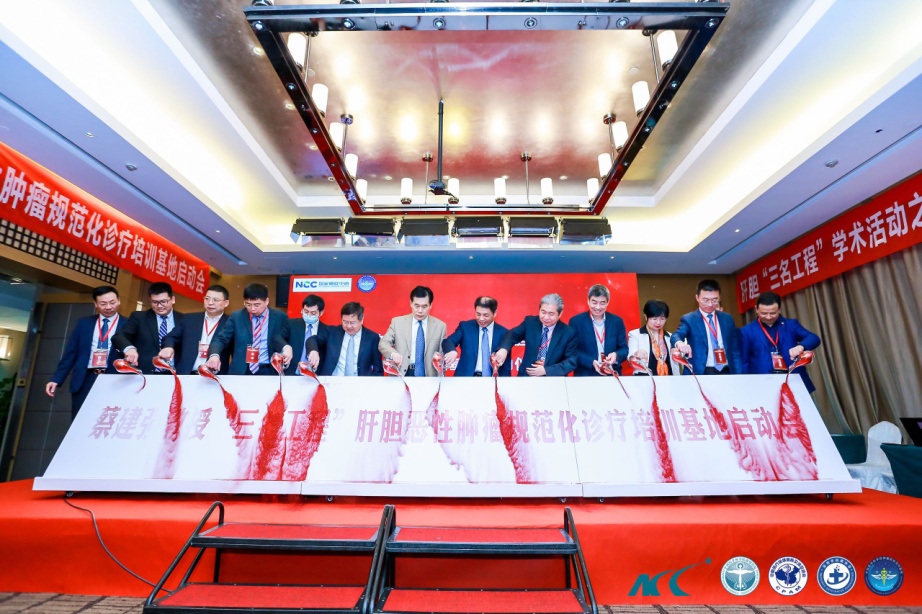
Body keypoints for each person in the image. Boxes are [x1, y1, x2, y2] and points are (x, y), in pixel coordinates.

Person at [46, 285, 126, 419]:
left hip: (114, 379)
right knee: (80, 420)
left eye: (112, 302)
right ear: (95, 304)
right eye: (103, 303)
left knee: (108, 421)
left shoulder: (129, 325)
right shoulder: (84, 323)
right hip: (85, 379)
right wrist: (56, 379)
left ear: (119, 301)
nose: (108, 307)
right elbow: (71, 353)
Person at [740, 291, 822, 393]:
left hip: (793, 380)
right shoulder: (746, 331)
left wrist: (801, 346)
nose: (768, 317)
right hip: (763, 383)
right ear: (756, 309)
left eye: (773, 313)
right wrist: (747, 386)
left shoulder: (791, 325)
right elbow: (744, 362)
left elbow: (814, 338)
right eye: (764, 313)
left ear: (779, 309)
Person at [205, 283, 292, 375]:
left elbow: (285, 340)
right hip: (242, 370)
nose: (252, 309)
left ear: (266, 301)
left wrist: (286, 349)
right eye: (248, 304)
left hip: (269, 370)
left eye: (257, 305)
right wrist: (214, 355)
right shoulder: (237, 317)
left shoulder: (280, 317)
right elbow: (221, 339)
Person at [494, 293, 578, 377]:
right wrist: (504, 349)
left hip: (553, 379)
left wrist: (546, 370)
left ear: (560, 314)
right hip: (527, 377)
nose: (546, 317)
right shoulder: (530, 323)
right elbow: (512, 334)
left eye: (551, 314)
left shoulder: (568, 333)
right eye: (543, 312)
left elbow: (571, 362)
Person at [671, 279, 743, 375]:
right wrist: (680, 343)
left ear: (719, 298)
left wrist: (739, 374)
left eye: (714, 300)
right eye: (705, 300)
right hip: (702, 371)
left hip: (726, 370)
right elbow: (676, 335)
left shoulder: (727, 319)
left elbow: (735, 350)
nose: (710, 304)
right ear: (697, 298)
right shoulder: (689, 319)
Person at [112, 282, 184, 374]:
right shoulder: (139, 317)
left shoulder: (183, 319)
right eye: (155, 302)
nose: (159, 306)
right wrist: (129, 348)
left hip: (175, 373)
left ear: (173, 299)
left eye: (163, 301)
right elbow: (119, 337)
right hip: (146, 373)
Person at [158, 285, 231, 374]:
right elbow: (171, 337)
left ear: (226, 303)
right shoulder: (189, 319)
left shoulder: (230, 323)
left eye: (216, 300)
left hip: (215, 376)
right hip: (187, 374)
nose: (210, 302)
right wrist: (168, 347)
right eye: (207, 298)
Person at [378, 286, 447, 377]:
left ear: (431, 305)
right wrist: (393, 354)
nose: (420, 311)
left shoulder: (440, 326)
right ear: (411, 303)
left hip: (428, 375)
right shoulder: (397, 322)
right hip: (402, 373)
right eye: (416, 306)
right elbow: (383, 343)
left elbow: (442, 356)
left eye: (424, 306)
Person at [306, 302, 383, 376]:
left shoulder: (372, 338)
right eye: (345, 322)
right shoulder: (332, 332)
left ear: (362, 319)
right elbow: (312, 340)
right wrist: (313, 351)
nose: (348, 326)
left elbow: (378, 370)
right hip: (332, 380)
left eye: (352, 323)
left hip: (360, 382)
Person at [441, 296, 511, 377]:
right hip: (467, 379)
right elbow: (448, 341)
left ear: (495, 313)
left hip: (493, 379)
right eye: (478, 314)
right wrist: (452, 351)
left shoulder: (504, 333)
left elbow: (506, 365)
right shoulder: (465, 327)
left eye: (486, 315)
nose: (481, 318)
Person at [568, 284, 629, 376]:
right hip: (586, 375)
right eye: (594, 302)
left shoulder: (617, 322)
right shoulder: (576, 322)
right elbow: (572, 350)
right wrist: (591, 362)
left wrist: (616, 355)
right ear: (588, 301)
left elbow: (624, 349)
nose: (598, 307)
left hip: (611, 374)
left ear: (608, 302)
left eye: (602, 303)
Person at [628, 299, 681, 376]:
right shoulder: (635, 334)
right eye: (654, 319)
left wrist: (678, 353)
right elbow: (631, 357)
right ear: (646, 317)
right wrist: (636, 354)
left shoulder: (670, 336)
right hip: (645, 378)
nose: (658, 322)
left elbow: (679, 357)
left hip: (669, 378)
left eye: (662, 319)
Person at [287, 294, 328, 375]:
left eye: (313, 313)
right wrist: (286, 347)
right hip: (292, 374)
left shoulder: (326, 330)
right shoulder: (291, 324)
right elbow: (278, 338)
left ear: (321, 313)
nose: (309, 315)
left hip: (314, 375)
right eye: (306, 311)